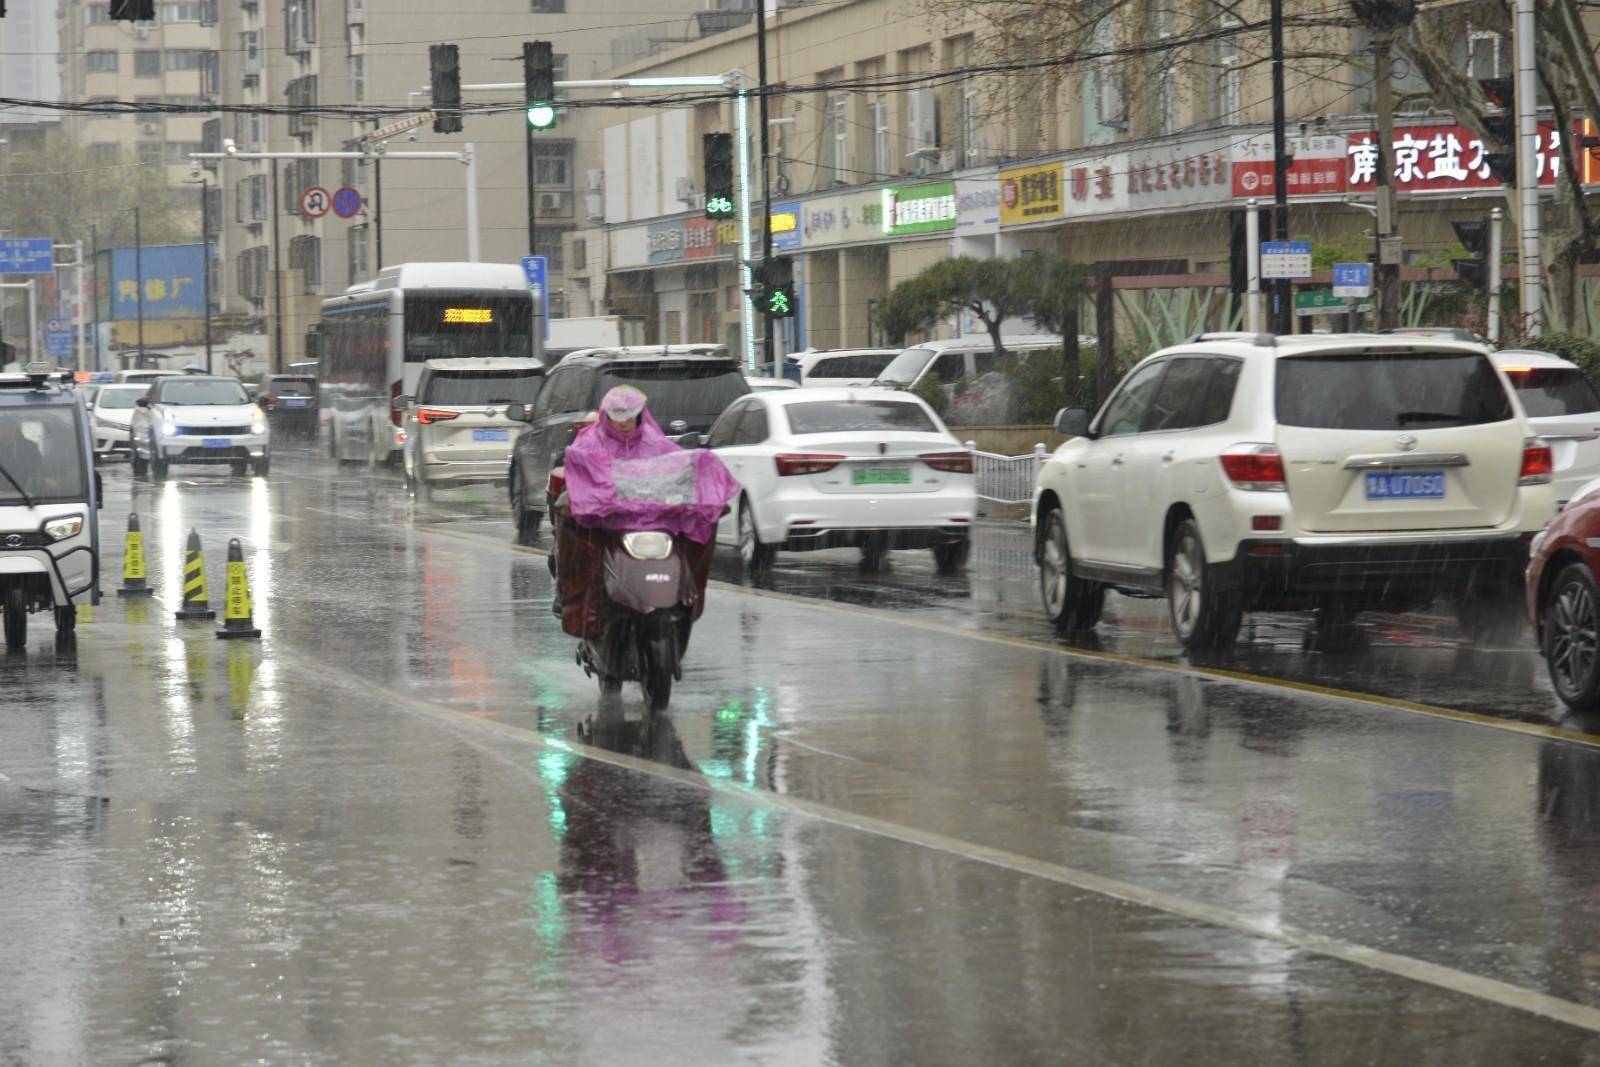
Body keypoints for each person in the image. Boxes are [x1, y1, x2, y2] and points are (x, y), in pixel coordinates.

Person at [555, 385, 740, 637]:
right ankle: (584, 610)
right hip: (610, 526)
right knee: (583, 551)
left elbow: (678, 467)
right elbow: (582, 474)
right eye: (617, 417)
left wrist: (702, 485)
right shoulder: (589, 444)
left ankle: (686, 596)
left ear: (640, 414)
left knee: (700, 533)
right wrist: (598, 498)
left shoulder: (656, 443)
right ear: (605, 416)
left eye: (629, 416)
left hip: (656, 525)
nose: (623, 424)